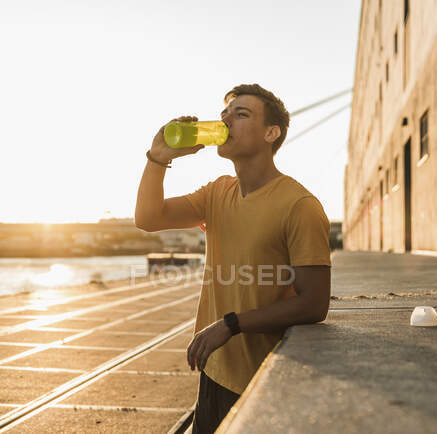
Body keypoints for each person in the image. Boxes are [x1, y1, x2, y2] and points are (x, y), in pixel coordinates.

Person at [135, 83, 331, 433]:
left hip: (263, 381)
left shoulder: (300, 206)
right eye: (225, 112)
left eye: (241, 114)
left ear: (272, 133)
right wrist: (158, 157)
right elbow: (149, 219)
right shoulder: (217, 192)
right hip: (214, 372)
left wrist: (230, 323)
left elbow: (315, 304)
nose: (226, 119)